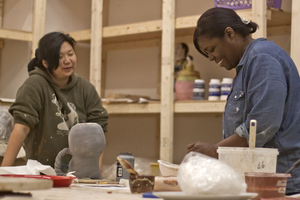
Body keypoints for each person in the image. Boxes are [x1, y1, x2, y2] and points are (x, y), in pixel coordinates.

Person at [187, 7, 300, 195]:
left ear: (229, 33)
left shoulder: (262, 58)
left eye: (211, 49)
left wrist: (216, 150)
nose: (211, 58)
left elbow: (263, 123)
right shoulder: (247, 64)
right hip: (262, 178)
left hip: (279, 181)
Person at [1, 32, 108, 171]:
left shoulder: (85, 88)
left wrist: (96, 174)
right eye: (59, 57)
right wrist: (3, 172)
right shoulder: (34, 84)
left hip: (79, 175)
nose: (67, 61)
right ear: (45, 62)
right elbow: (22, 127)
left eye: (70, 54)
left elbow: (98, 133)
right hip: (42, 171)